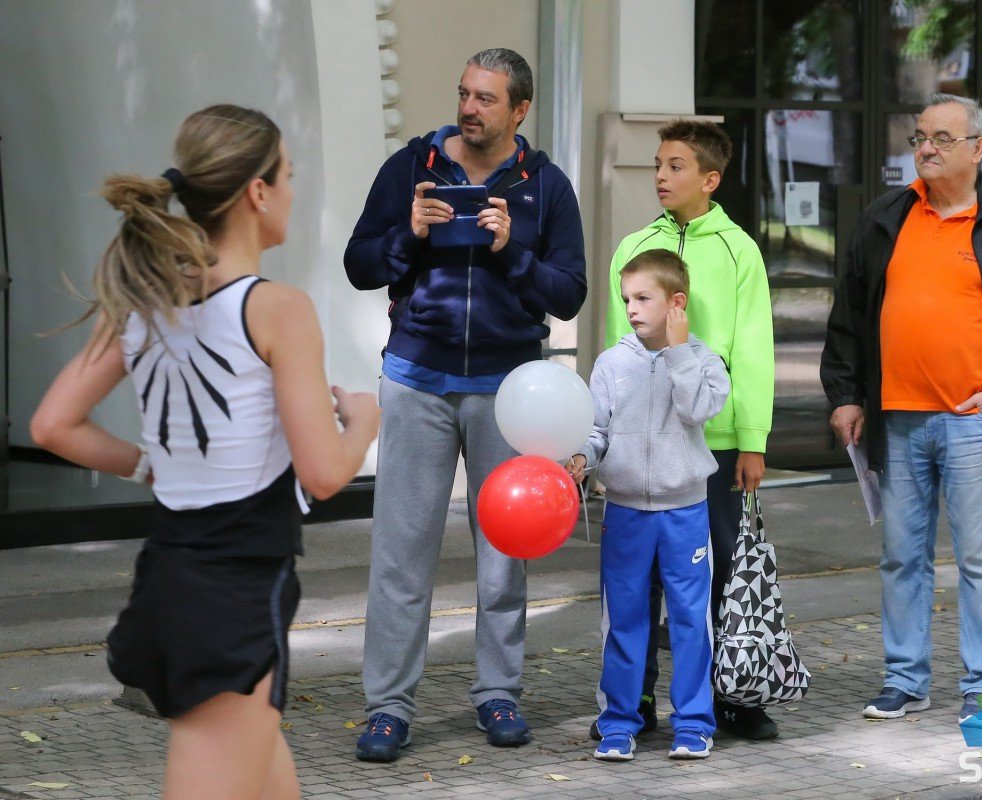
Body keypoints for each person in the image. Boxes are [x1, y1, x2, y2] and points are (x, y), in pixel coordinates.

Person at [29, 104, 381, 800]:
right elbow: (324, 474)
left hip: (174, 575)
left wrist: (147, 465)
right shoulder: (277, 308)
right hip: (236, 592)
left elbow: (52, 425)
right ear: (258, 192)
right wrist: (363, 423)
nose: (293, 190)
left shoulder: (146, 300)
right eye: (288, 175)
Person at [344, 48, 587, 762]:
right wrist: (408, 234)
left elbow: (569, 293)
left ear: (520, 109)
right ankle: (388, 707)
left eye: (486, 98)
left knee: (504, 554)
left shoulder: (547, 186)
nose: (469, 108)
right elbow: (359, 265)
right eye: (464, 94)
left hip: (509, 391)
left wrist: (512, 251)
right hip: (417, 379)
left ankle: (498, 693)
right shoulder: (409, 169)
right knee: (401, 553)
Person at [820, 94, 982, 724]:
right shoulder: (885, 218)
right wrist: (846, 395)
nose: (926, 148)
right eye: (920, 138)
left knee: (981, 561)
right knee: (901, 557)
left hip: (973, 422)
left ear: (979, 148)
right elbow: (849, 315)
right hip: (897, 419)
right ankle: (905, 679)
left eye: (941, 139)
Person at [601, 120, 777, 740]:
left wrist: (752, 439)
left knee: (722, 573)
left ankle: (732, 696)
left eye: (675, 166)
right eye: (657, 164)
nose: (660, 176)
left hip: (716, 444)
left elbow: (753, 348)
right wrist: (606, 441)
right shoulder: (634, 247)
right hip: (644, 449)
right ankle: (636, 700)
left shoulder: (739, 250)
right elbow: (616, 350)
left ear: (710, 179)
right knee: (639, 583)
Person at [568, 249, 729, 761]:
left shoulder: (705, 361)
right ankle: (618, 722)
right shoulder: (611, 364)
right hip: (625, 512)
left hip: (686, 512)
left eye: (643, 298)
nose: (631, 309)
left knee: (690, 620)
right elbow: (597, 430)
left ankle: (694, 723)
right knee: (623, 620)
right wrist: (582, 457)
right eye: (626, 299)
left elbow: (697, 410)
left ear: (676, 303)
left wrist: (679, 353)